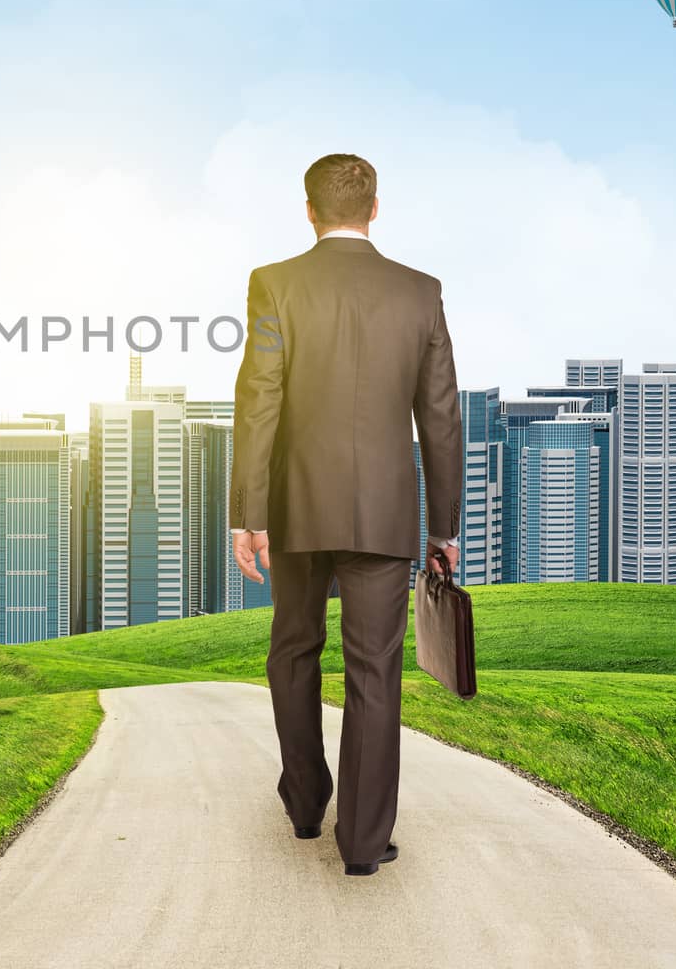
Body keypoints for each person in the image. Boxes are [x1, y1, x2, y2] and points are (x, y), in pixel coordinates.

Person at [230, 152, 463, 877]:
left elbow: (258, 397)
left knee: (294, 649)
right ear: (375, 208)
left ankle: (305, 804)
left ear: (308, 210)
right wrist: (444, 526)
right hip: (385, 511)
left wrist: (249, 512)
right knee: (374, 670)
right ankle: (363, 841)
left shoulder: (275, 285)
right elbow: (442, 418)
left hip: (297, 506)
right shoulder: (420, 293)